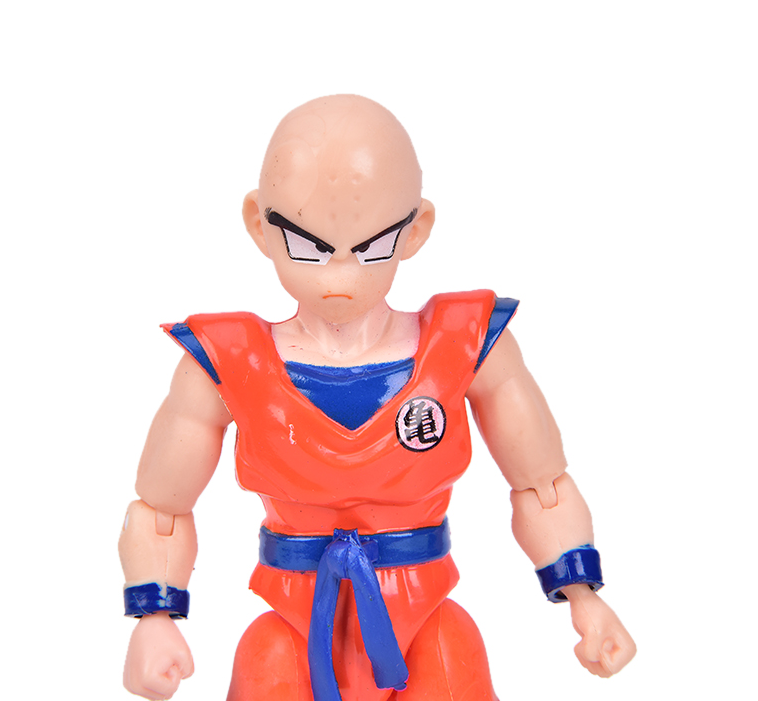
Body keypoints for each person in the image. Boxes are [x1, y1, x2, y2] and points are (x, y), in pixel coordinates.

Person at [119, 94, 635, 701]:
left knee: (452, 658)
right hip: (294, 627)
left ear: (415, 230)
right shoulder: (225, 363)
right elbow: (161, 509)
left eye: (371, 247)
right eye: (309, 246)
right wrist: (153, 615)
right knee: (268, 662)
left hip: (425, 624)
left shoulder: (467, 346)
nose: (339, 275)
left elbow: (544, 487)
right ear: (260, 224)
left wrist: (583, 593)